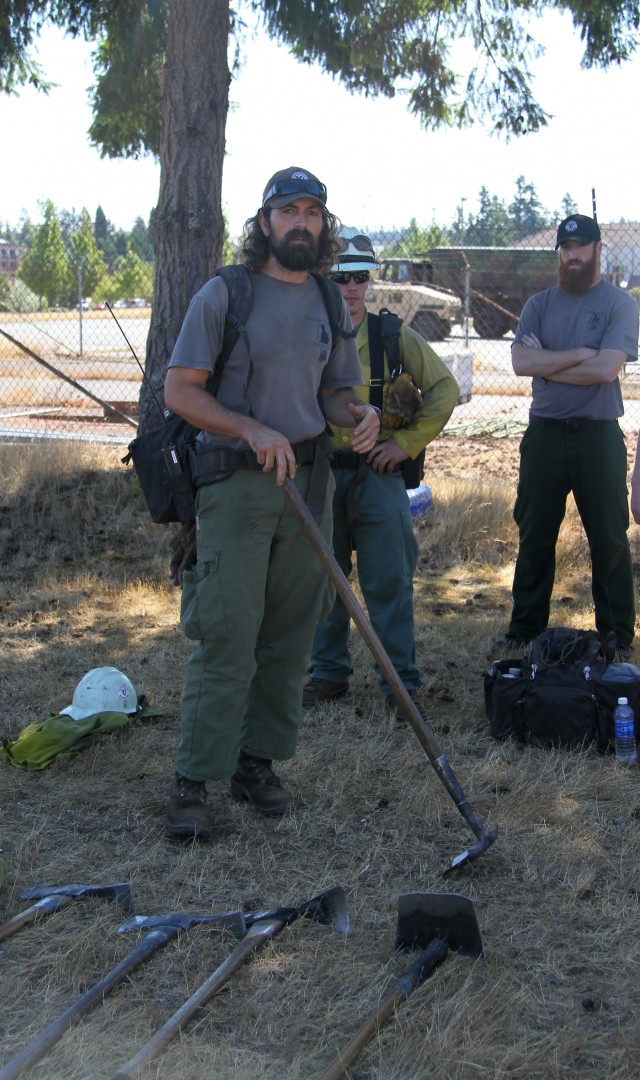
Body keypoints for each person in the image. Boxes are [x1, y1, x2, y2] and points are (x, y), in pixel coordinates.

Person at [163, 168, 380, 839]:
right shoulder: (224, 293)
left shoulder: (326, 297)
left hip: (309, 486)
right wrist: (250, 427)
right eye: (289, 210)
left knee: (289, 637)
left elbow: (335, 393)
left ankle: (256, 766)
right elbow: (180, 390)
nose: (302, 222)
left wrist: (361, 413)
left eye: (313, 212)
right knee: (228, 633)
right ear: (264, 223)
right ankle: (194, 783)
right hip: (236, 483)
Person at [302, 229, 460, 720]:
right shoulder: (308, 335)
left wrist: (405, 444)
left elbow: (444, 390)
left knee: (390, 578)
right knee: (324, 577)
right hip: (322, 471)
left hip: (378, 473)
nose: (350, 287)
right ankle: (328, 673)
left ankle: (401, 685)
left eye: (359, 278)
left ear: (370, 281)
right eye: (341, 277)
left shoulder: (393, 335)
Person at [497, 213, 639, 657]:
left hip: (598, 437)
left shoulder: (620, 303)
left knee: (609, 536)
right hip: (543, 436)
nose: (571, 255)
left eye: (580, 247)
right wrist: (580, 353)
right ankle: (524, 628)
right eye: (565, 248)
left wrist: (552, 364)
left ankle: (616, 632)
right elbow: (522, 364)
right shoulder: (538, 305)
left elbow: (606, 369)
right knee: (535, 532)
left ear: (598, 250)